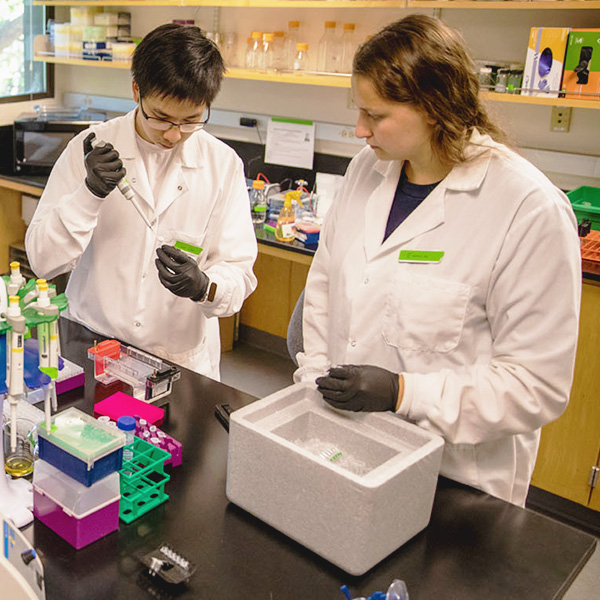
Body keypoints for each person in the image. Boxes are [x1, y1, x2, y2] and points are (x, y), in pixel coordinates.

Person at [293, 15, 581, 506]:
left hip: (453, 478)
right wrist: (314, 383)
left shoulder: (527, 208)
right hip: (344, 446)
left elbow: (536, 384)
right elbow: (323, 286)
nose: (360, 129)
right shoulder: (368, 168)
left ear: (434, 108)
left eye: (376, 115)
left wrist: (403, 393)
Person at [25, 24, 257, 379]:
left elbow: (239, 271)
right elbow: (42, 259)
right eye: (161, 117)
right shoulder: (89, 147)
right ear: (137, 90)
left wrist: (205, 285)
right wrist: (89, 193)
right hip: (90, 344)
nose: (173, 134)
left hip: (177, 360)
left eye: (191, 120)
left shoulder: (222, 165)